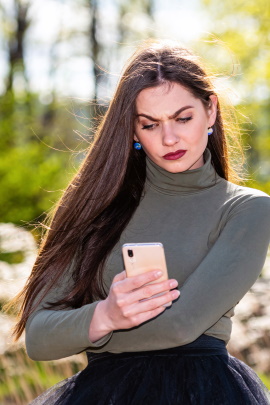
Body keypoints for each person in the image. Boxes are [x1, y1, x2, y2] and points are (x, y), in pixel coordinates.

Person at [11, 40, 270, 404]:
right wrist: (105, 313)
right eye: (150, 124)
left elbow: (181, 325)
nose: (169, 138)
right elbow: (39, 337)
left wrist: (93, 327)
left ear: (210, 110)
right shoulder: (95, 210)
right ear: (132, 131)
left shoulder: (247, 209)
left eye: (183, 118)